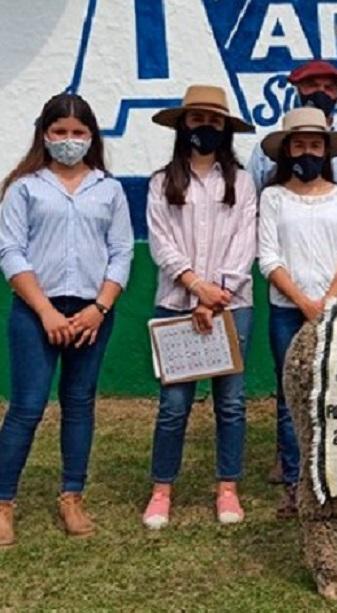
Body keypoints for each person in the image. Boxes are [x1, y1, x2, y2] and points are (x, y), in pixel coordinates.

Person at [0, 93, 134, 546]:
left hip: (92, 313)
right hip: (37, 312)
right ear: (45, 134)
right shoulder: (25, 187)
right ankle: (2, 503)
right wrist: (46, 312)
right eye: (60, 132)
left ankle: (72, 495)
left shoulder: (108, 188)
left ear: (92, 136)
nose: (69, 141)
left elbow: (121, 252)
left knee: (79, 404)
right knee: (27, 408)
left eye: (78, 133)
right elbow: (11, 251)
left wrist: (98, 309)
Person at [142, 85, 258, 529]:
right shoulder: (161, 182)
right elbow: (161, 243)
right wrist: (195, 288)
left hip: (233, 303)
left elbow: (244, 243)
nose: (205, 128)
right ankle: (161, 489)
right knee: (174, 404)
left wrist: (218, 294)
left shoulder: (242, 182)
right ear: (183, 125)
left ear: (224, 128)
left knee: (231, 402)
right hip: (176, 304)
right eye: (197, 120)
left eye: (213, 121)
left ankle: (227, 487)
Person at [257, 107, 337, 518]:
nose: (307, 152)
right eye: (299, 144)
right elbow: (268, 257)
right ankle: (296, 484)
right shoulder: (273, 197)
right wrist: (303, 301)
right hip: (288, 310)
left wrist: (329, 301)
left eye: (314, 145)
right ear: (287, 150)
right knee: (291, 399)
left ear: (326, 150)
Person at [247, 60, 337, 275]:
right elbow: (250, 203)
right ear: (297, 89)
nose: (320, 92)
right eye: (312, 85)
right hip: (285, 264)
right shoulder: (269, 148)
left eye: (329, 88)